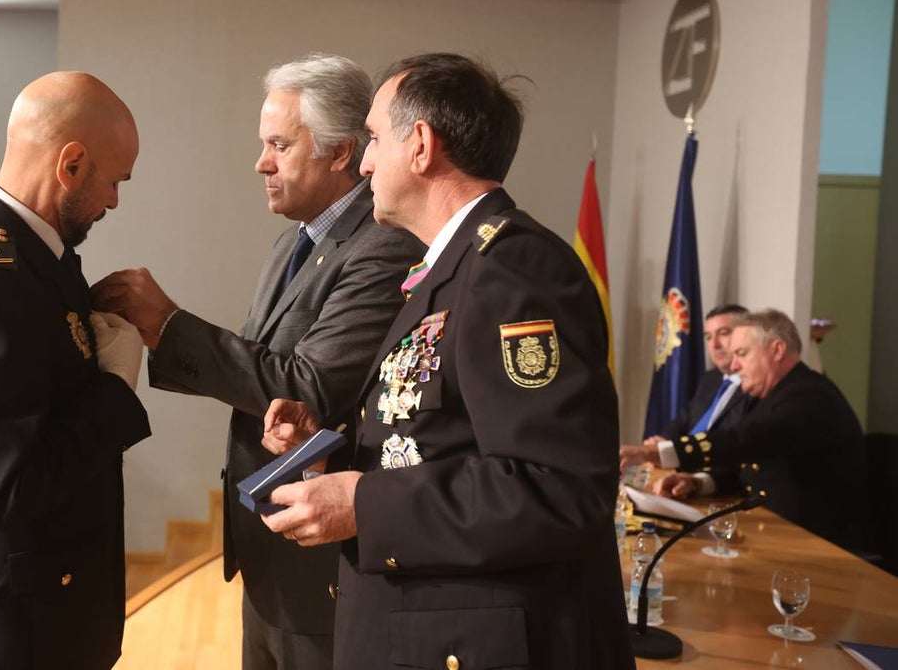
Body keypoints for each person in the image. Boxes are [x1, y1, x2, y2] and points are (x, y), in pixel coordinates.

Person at [259, 53, 635, 669]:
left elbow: (557, 488)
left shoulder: (514, 268)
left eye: (374, 139)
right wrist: (332, 460)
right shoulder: (452, 267)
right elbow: (440, 440)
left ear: (421, 145)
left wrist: (364, 503)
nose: (364, 162)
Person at [93, 53, 423, 670]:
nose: (261, 163)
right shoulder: (293, 240)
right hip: (270, 553)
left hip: (321, 565)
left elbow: (308, 390)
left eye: (279, 145)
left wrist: (170, 322)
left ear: (339, 152)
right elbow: (260, 364)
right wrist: (159, 331)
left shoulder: (383, 247)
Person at [0, 72, 151, 670]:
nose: (114, 202)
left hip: (44, 616)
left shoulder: (37, 256)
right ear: (72, 164)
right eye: (115, 181)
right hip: (6, 635)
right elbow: (14, 491)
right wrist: (115, 386)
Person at [639, 309, 867, 549]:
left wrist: (656, 452)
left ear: (777, 350)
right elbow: (747, 470)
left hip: (821, 546)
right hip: (778, 532)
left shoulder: (810, 395)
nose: (734, 365)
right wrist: (698, 483)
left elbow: (745, 440)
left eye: (742, 353)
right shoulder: (774, 395)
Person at [618, 304, 753, 489]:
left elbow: (733, 446)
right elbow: (684, 420)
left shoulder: (755, 387)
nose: (714, 345)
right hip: (681, 472)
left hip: (715, 483)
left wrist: (670, 455)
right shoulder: (710, 380)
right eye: (708, 337)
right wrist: (659, 446)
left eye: (723, 333)